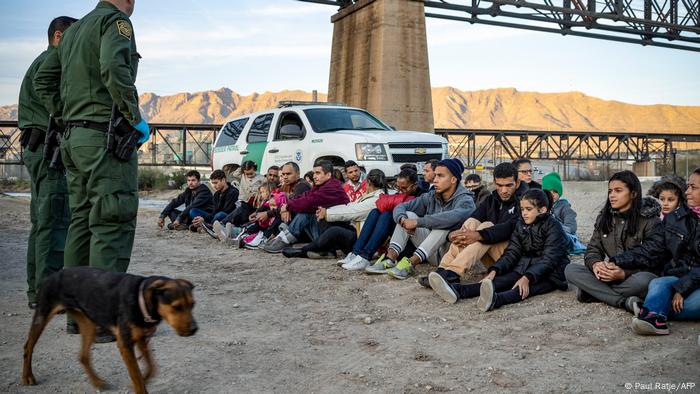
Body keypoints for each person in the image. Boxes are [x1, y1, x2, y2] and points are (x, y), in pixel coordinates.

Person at [33, 0, 148, 340]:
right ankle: (103, 319)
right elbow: (114, 68)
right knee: (111, 218)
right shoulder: (114, 23)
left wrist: (67, 114)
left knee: (81, 222)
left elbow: (44, 79)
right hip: (103, 139)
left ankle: (77, 316)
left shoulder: (73, 32)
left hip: (75, 139)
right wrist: (133, 116)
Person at [18, 16, 76, 310]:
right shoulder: (52, 62)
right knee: (54, 222)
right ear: (58, 36)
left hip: (38, 148)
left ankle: (37, 291)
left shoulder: (43, 60)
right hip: (47, 150)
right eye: (72, 36)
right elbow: (53, 97)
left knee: (42, 223)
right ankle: (47, 294)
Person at [429, 189, 570, 311]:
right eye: (522, 209)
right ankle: (457, 290)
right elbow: (512, 252)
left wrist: (527, 277)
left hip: (553, 273)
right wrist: (494, 270)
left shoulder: (553, 227)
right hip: (527, 265)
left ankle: (495, 300)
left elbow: (550, 259)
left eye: (529, 209)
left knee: (521, 288)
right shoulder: (521, 224)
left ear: (543, 210)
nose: (524, 213)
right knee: (498, 281)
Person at [609, 168, 700, 335]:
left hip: (695, 282)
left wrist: (682, 288)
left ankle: (649, 310)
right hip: (676, 277)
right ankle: (652, 319)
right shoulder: (675, 218)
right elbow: (653, 249)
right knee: (658, 283)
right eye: (687, 186)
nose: (687, 192)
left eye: (693, 187)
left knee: (695, 303)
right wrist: (617, 260)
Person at [565, 170, 662, 313]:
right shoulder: (605, 218)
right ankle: (623, 302)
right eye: (610, 191)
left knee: (647, 280)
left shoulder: (650, 221)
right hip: (608, 275)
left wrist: (624, 273)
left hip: (633, 276)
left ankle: (595, 293)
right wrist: (596, 265)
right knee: (570, 269)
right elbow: (593, 249)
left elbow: (654, 260)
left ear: (633, 194)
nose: (612, 195)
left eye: (618, 190)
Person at [424, 163, 525, 287]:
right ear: (494, 182)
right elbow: (474, 217)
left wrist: (478, 235)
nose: (504, 190)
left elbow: (510, 228)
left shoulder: (525, 201)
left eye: (509, 185)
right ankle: (442, 270)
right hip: (493, 257)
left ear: (517, 183)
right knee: (472, 222)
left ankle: (453, 272)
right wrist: (455, 234)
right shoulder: (491, 199)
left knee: (486, 226)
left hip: (512, 258)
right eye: (500, 185)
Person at [380, 159, 476, 280]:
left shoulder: (466, 201)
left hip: (449, 256)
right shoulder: (431, 196)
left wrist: (418, 222)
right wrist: (403, 220)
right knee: (408, 214)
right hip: (429, 251)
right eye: (435, 175)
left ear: (453, 179)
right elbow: (401, 207)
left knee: (443, 225)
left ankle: (411, 264)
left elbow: (450, 217)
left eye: (440, 176)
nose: (435, 180)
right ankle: (390, 259)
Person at [282, 169, 386, 259]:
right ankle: (327, 250)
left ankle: (303, 250)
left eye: (317, 173)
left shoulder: (376, 199)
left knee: (334, 231)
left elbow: (352, 211)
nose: (314, 176)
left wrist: (327, 212)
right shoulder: (372, 195)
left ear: (368, 183)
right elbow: (350, 206)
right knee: (321, 216)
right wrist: (325, 211)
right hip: (356, 229)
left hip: (361, 238)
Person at [340, 169, 420, 271]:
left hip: (411, 245)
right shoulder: (401, 194)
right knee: (375, 212)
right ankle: (356, 253)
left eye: (403, 188)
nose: (400, 191)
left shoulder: (422, 196)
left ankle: (365, 256)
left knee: (387, 214)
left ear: (415, 185)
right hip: (397, 240)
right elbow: (380, 205)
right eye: (398, 187)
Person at [262, 160, 349, 253]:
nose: (314, 176)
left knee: (305, 211)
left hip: (334, 236)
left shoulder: (332, 188)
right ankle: (281, 237)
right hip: (324, 231)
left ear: (328, 175)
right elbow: (303, 197)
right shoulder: (320, 186)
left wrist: (287, 207)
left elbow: (308, 202)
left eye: (318, 173)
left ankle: (283, 239)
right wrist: (287, 206)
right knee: (300, 209)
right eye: (314, 173)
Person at [541, 172, 586, 254]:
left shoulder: (565, 207)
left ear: (559, 192)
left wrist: (556, 225)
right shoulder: (542, 208)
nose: (552, 194)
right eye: (548, 192)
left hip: (565, 236)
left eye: (555, 191)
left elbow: (572, 228)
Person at [221, 160, 264, 226]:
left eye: (251, 173)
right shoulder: (242, 176)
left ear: (255, 170)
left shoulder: (261, 178)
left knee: (241, 212)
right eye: (247, 174)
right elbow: (235, 174)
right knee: (241, 211)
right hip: (244, 200)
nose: (249, 175)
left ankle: (224, 223)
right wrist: (242, 167)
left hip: (255, 202)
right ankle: (225, 223)